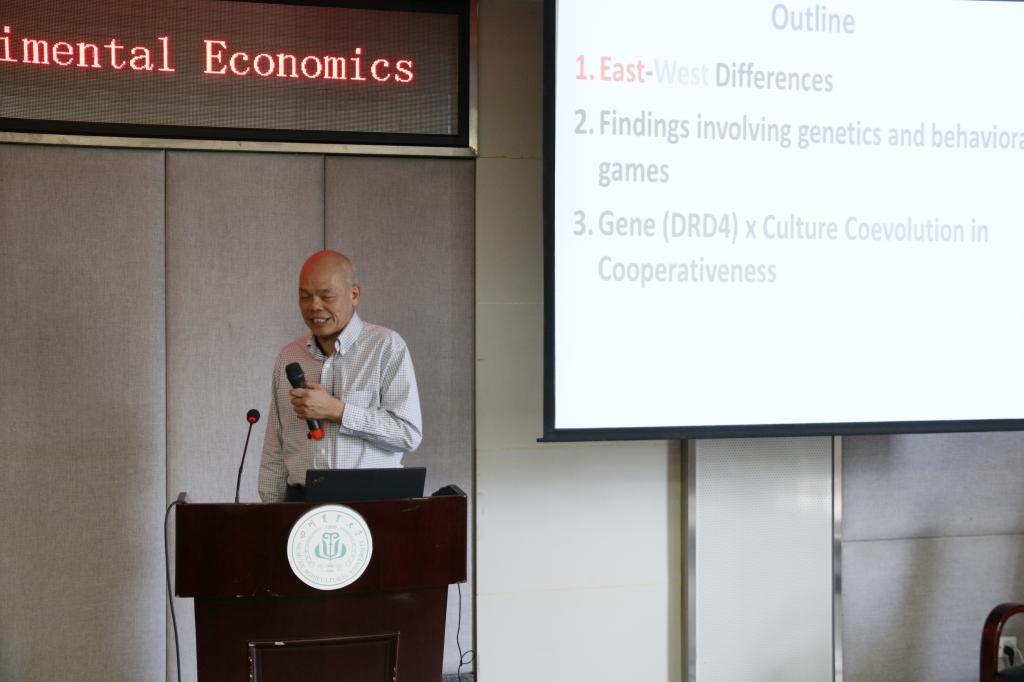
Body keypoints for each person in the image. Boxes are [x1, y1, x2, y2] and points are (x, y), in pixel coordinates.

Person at [257, 250, 422, 502]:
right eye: (305, 296)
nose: (314, 306)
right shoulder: (289, 356)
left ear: (354, 295)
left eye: (327, 296)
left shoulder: (386, 346)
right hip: (302, 504)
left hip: (371, 503)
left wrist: (338, 411)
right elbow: (275, 448)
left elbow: (407, 434)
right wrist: (270, 511)